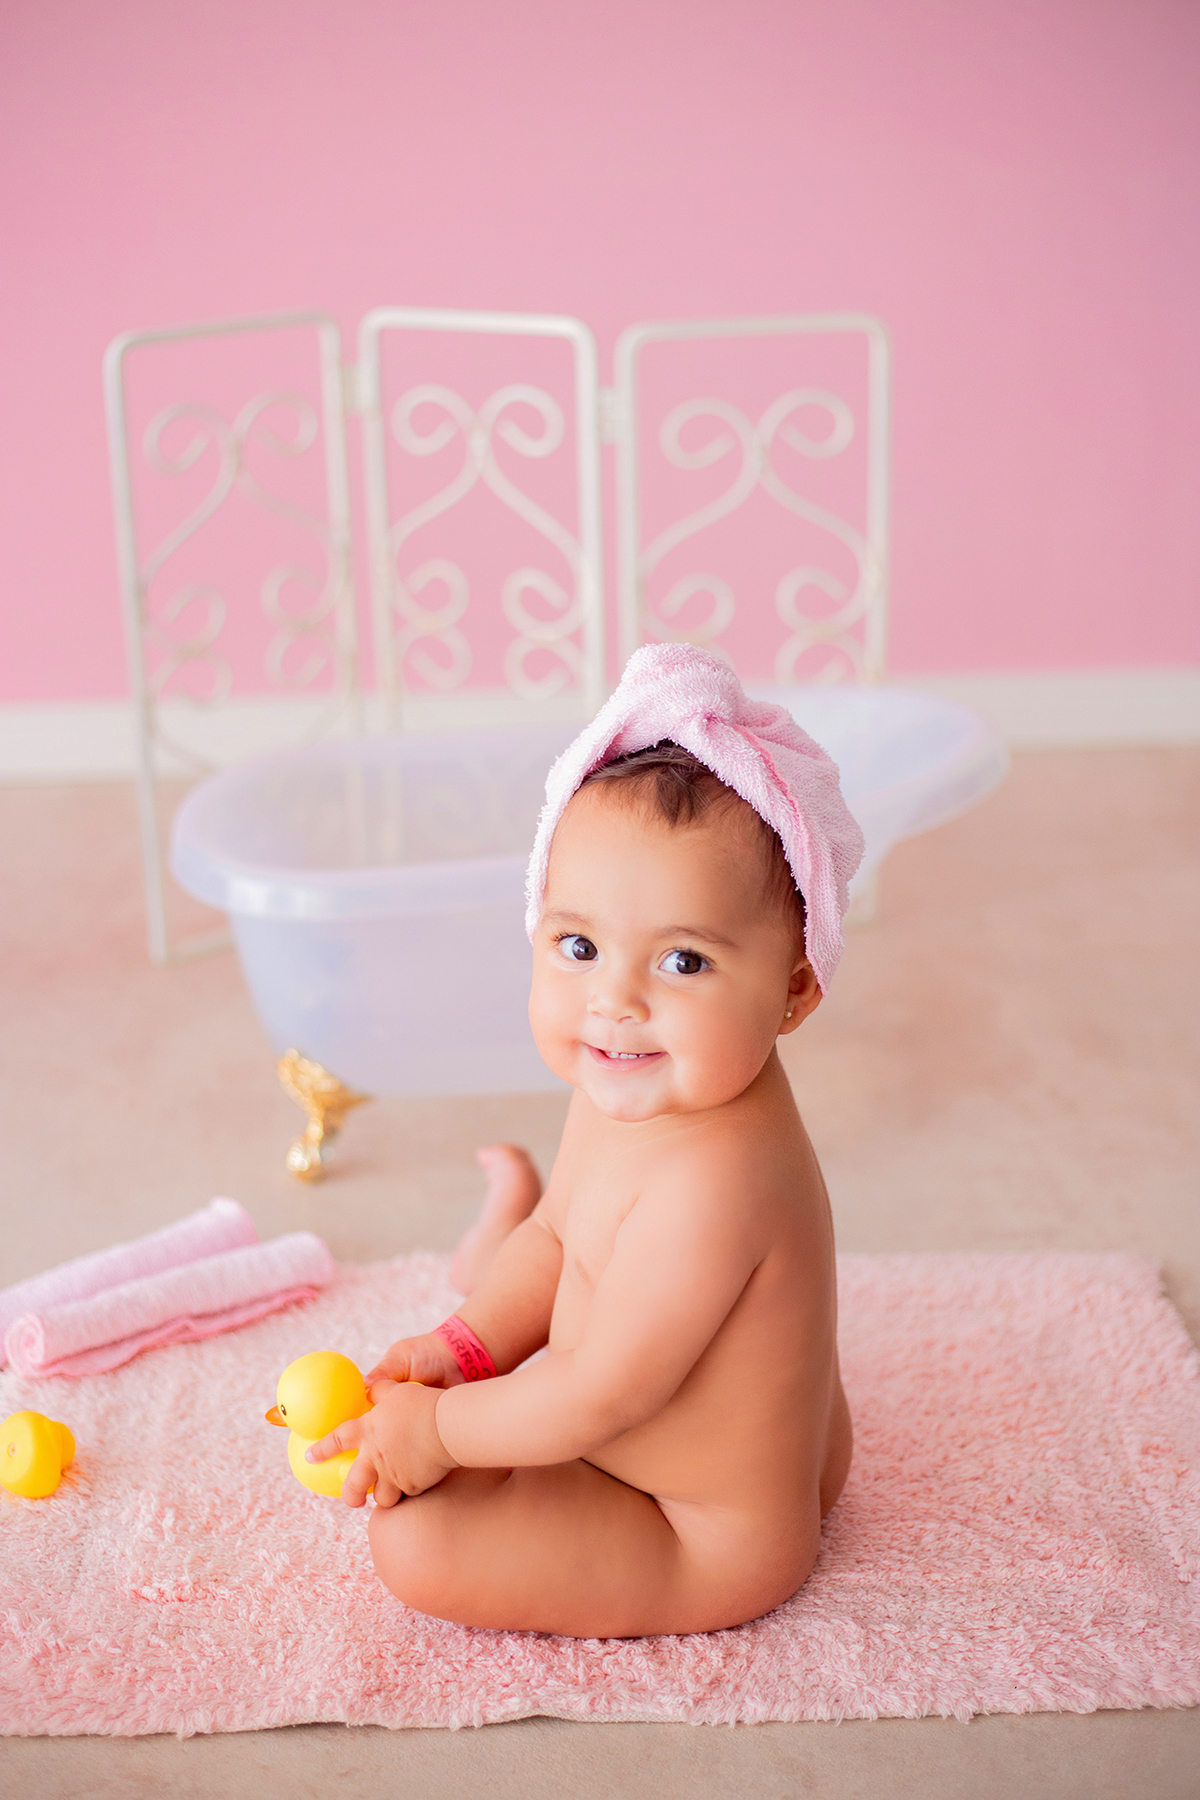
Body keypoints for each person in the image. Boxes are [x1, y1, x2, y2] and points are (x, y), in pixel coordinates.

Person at [307, 644, 865, 1637]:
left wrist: (437, 1432)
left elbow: (601, 1391)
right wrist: (464, 1350)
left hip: (702, 1530)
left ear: (793, 989)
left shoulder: (719, 1181)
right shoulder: (632, 1085)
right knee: (508, 1358)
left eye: (684, 959)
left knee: (417, 1543)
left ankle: (733, 1550)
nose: (616, 1002)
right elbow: (561, 1236)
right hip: (674, 1450)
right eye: (579, 946)